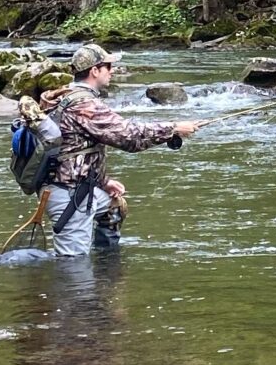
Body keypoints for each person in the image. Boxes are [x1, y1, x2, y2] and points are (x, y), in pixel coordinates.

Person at [43, 44, 201, 256]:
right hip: (69, 194)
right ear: (95, 70)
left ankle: (106, 267)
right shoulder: (84, 104)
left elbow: (74, 147)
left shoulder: (65, 95)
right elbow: (129, 136)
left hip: (73, 186)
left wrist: (103, 181)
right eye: (108, 66)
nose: (113, 71)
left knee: (114, 207)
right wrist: (173, 128)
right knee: (73, 264)